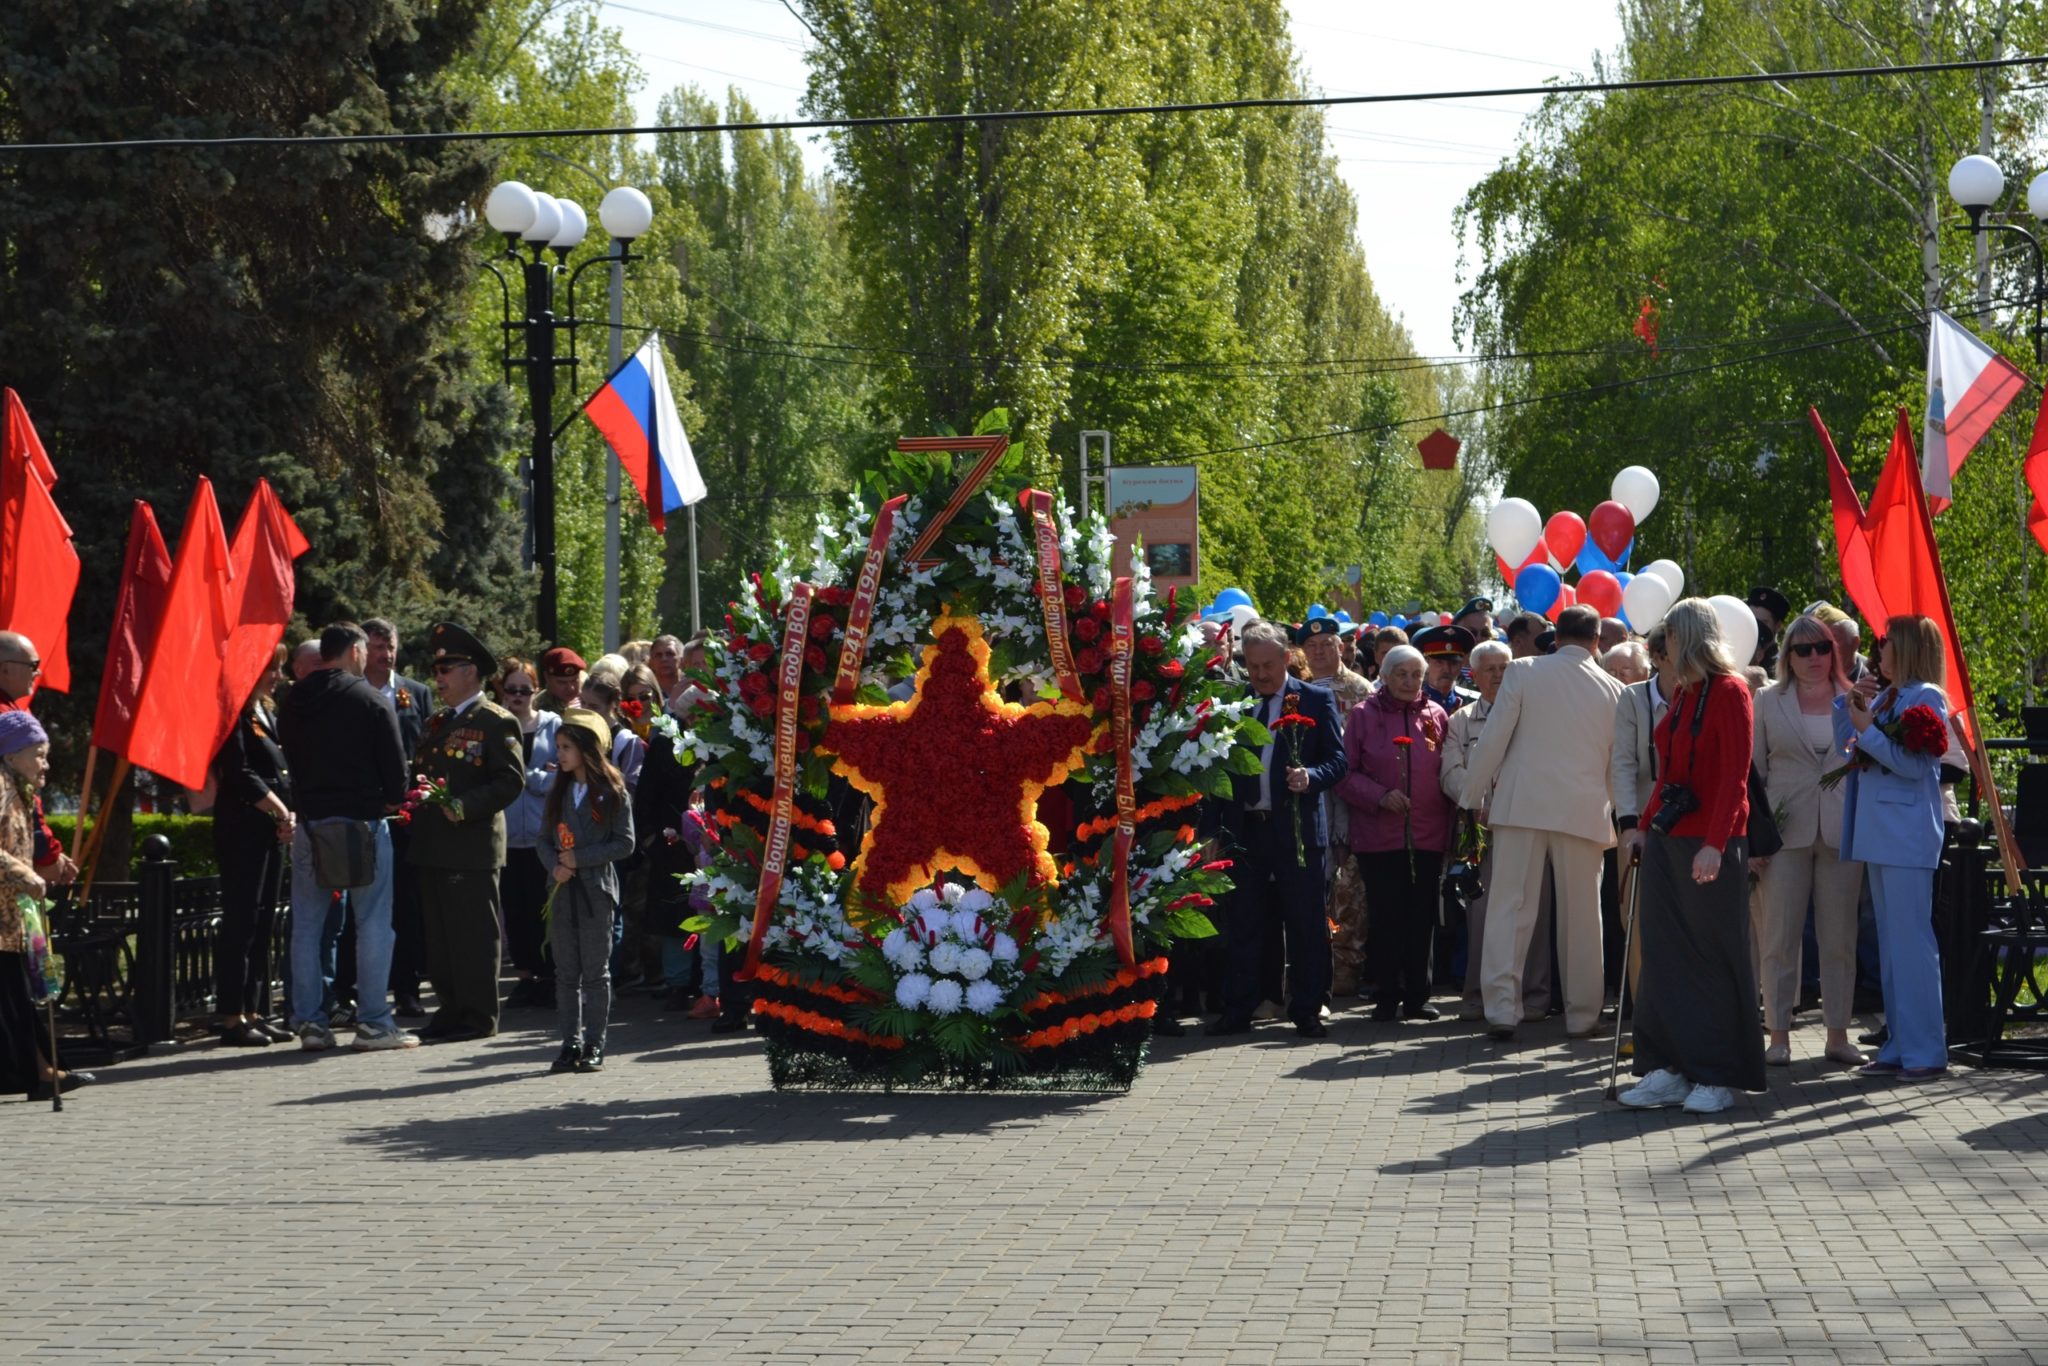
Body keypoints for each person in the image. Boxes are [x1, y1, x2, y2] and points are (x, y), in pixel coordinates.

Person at [1620, 598, 1765, 1114]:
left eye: (1672, 638)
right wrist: (1641, 827)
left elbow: (1735, 778)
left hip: (1709, 841)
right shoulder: (1684, 693)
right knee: (1662, 954)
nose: (1665, 648)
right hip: (1668, 838)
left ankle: (1717, 1074)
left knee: (1711, 957)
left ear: (1690, 637)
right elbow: (1667, 773)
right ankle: (1669, 1069)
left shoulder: (1729, 692)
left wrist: (1716, 843)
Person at [1456, 604, 1623, 1040]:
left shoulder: (1524, 671)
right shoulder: (1614, 690)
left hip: (1521, 804)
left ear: (1556, 636)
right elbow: (1615, 762)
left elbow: (1494, 736)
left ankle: (1501, 1011)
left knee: (1509, 906)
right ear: (1596, 639)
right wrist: (1621, 815)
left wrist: (1471, 795)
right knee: (1583, 917)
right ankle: (1584, 1015)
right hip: (1584, 810)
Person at [276, 622, 415, 1051]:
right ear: (354, 652)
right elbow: (396, 774)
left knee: (307, 925)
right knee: (373, 922)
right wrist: (392, 799)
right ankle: (374, 1022)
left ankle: (311, 1023)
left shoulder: (292, 699)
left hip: (312, 824)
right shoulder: (369, 698)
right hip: (362, 824)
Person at [1208, 620, 1348, 1040]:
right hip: (1246, 831)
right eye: (1252, 666)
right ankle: (1240, 1008)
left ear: (1287, 659)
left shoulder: (1316, 699)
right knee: (1245, 922)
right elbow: (1217, 768)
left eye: (1268, 665)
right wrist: (1213, 831)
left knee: (1305, 921)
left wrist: (1312, 776)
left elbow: (1338, 762)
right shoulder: (1234, 703)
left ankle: (1306, 1008)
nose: (1260, 674)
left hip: (1298, 830)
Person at [1836, 615, 1952, 1081]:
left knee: (1911, 944)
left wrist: (1867, 729)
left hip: (1905, 834)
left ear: (1906, 648)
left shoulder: (1927, 696)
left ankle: (1926, 1049)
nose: (1878, 649)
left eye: (1885, 642)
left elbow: (1913, 765)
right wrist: (1854, 708)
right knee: (1891, 945)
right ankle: (1901, 1042)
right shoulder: (1891, 695)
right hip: (1883, 832)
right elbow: (1855, 747)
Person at [1753, 614, 1866, 1067]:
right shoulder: (1766, 700)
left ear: (1834, 652)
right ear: (1788, 657)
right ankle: (1778, 1036)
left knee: (1840, 938)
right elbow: (1755, 773)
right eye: (1802, 650)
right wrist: (1752, 837)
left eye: (1821, 648)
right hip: (1783, 833)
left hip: (1842, 831)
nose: (1814, 657)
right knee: (1779, 937)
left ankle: (1837, 1036)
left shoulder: (1855, 698)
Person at [407, 623, 526, 1043]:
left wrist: (464, 807)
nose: (438, 677)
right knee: (440, 940)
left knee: (472, 937)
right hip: (434, 845)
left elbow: (510, 781)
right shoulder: (437, 721)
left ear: (471, 671)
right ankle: (450, 1010)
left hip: (471, 846)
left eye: (447, 668)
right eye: (436, 668)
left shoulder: (495, 721)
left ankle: (477, 1017)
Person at [1337, 645, 1454, 1021]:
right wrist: (1380, 796)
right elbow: (1345, 773)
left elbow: (1446, 773)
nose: (1408, 681)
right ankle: (1386, 995)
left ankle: (1418, 996)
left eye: (1415, 675)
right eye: (1400, 674)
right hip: (1379, 837)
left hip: (1427, 834)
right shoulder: (1363, 715)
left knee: (1422, 918)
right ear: (1384, 676)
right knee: (1386, 917)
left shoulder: (1436, 714)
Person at [1440, 639, 1552, 1023]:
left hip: (1529, 823)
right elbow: (1451, 770)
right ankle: (1477, 995)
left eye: (1505, 667)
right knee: (1483, 914)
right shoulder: (1461, 719)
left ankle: (1534, 996)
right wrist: (1476, 801)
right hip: (1482, 831)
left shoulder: (1536, 714)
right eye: (1490, 669)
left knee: (1533, 912)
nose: (1499, 675)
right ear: (1474, 674)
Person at [538, 709, 637, 1073]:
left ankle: (595, 1043)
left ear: (587, 749)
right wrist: (556, 865)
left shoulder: (612, 792)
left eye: (566, 747)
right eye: (558, 746)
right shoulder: (559, 790)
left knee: (595, 973)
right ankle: (569, 1043)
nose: (560, 754)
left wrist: (579, 858)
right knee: (566, 973)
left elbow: (624, 844)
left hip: (596, 893)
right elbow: (543, 840)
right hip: (562, 890)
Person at [0, 712, 90, 1099]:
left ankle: (42, 1073)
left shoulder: (19, 791)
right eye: (38, 754)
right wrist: (27, 876)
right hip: (4, 917)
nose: (45, 763)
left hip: (12, 920)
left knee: (19, 998)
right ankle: (41, 1072)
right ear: (12, 755)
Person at [209, 646, 295, 1047]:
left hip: (269, 829)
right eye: (271, 669)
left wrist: (285, 814)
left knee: (263, 922)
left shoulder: (265, 713)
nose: (278, 676)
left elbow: (279, 768)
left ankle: (255, 1009)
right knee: (241, 921)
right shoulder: (233, 714)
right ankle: (231, 1016)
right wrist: (278, 808)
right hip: (243, 827)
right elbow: (240, 772)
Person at [1295, 615, 1371, 998]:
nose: (1320, 651)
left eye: (1327, 644)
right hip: (1315, 798)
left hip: (1355, 802)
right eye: (1312, 647)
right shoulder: (1298, 689)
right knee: (1316, 888)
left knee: (1349, 890)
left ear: (1342, 647)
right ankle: (1315, 965)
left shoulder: (1361, 690)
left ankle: (1347, 965)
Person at [362, 618, 433, 1019]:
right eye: (376, 646)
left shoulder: (415, 693)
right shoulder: (353, 691)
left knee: (407, 904)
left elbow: (426, 746)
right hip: (366, 811)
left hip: (407, 815)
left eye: (389, 645)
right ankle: (358, 988)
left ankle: (407, 988)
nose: (384, 654)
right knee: (365, 902)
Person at [495, 658, 560, 1011]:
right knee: (515, 910)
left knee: (543, 908)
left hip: (541, 835)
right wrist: (539, 775)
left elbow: (559, 776)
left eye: (524, 689)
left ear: (536, 691)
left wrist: (532, 777)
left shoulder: (553, 725)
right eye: (511, 689)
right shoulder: (496, 725)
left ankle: (550, 976)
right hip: (506, 835)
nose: (517, 696)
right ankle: (524, 978)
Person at [0, 631, 75, 889]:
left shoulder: (11, 709)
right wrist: (46, 855)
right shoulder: (6, 715)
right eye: (32, 665)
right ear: (5, 669)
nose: (38, 672)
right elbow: (27, 797)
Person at [1413, 623, 1478, 714]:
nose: (1447, 669)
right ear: (1426, 664)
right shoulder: (1413, 702)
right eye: (1439, 662)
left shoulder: (1473, 703)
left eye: (1453, 663)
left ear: (1461, 665)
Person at [1748, 586, 1790, 673]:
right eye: (1752, 619)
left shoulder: (1784, 667)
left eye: (1763, 622)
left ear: (1778, 626)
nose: (1757, 626)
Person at [539, 646, 586, 713]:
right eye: (562, 683)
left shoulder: (590, 702)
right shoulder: (540, 710)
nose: (571, 688)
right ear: (547, 677)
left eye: (574, 680)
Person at [648, 634, 686, 705]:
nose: (664, 659)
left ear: (681, 660)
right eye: (658, 655)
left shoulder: (692, 688)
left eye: (670, 654)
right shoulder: (645, 695)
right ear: (651, 662)